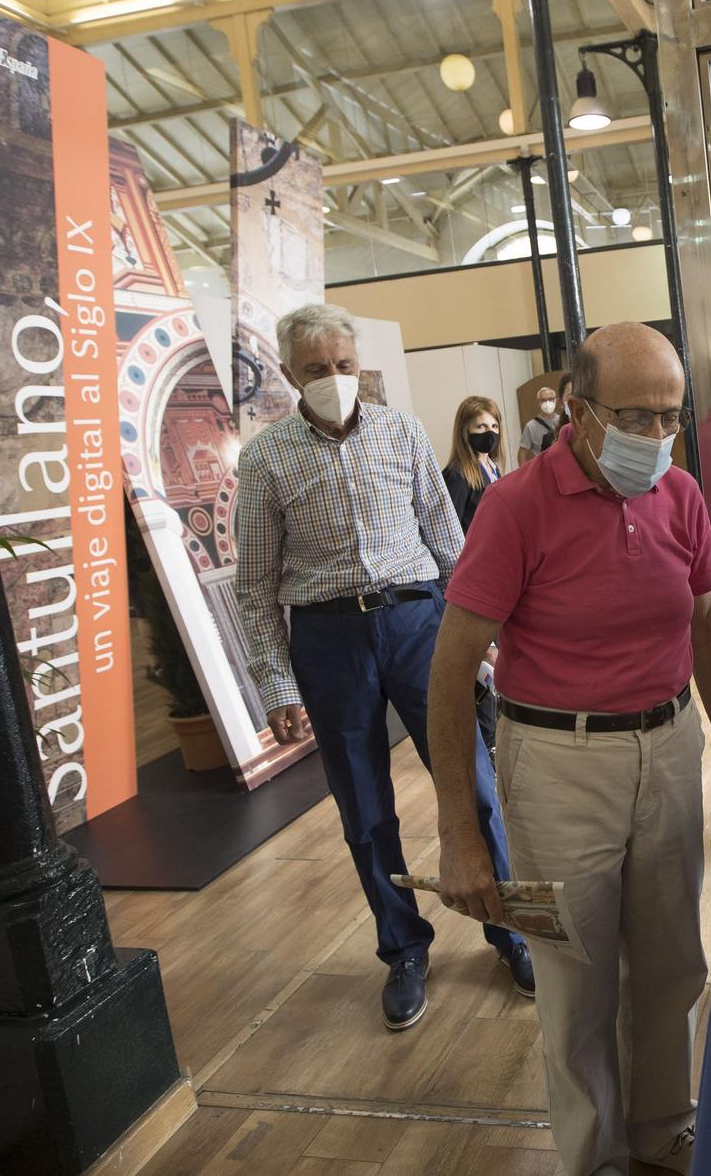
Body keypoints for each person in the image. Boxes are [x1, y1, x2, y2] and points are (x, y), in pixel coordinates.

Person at [426, 323, 711, 1176]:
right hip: (557, 763)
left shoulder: (678, 494)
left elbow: (707, 631)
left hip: (670, 744)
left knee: (674, 961)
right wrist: (462, 831)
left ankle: (660, 1127)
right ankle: (594, 1157)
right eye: (635, 416)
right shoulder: (515, 506)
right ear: (576, 410)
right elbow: (452, 668)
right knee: (576, 981)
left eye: (670, 418)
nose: (654, 437)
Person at [233, 303, 533, 1034]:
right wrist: (275, 683)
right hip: (328, 638)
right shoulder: (267, 457)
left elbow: (451, 545)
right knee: (364, 809)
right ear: (288, 374)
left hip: (417, 624)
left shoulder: (400, 431)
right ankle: (402, 948)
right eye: (315, 371)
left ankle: (510, 930)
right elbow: (255, 583)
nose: (334, 380)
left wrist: (486, 635)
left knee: (474, 783)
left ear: (357, 364)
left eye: (343, 366)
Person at [441, 395, 505, 535]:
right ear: (465, 431)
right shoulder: (457, 475)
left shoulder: (492, 467)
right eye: (481, 426)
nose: (490, 433)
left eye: (494, 426)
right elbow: (449, 530)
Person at [517, 373, 573, 464]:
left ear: (556, 400)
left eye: (551, 399)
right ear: (539, 403)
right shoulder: (530, 426)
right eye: (543, 400)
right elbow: (522, 453)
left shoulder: (563, 421)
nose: (547, 403)